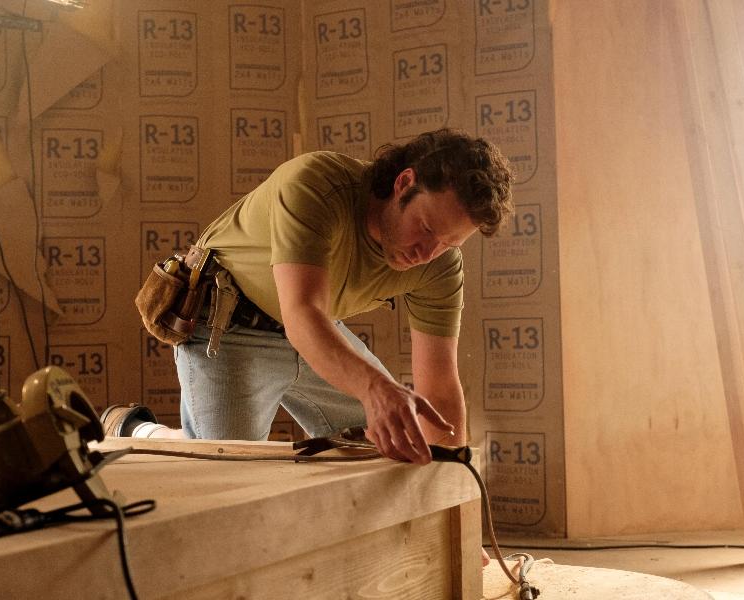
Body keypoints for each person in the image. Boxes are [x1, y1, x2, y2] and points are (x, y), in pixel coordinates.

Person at [108, 128, 514, 468]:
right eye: (424, 228)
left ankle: (185, 434)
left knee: (390, 443)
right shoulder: (316, 184)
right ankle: (138, 431)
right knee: (225, 467)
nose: (426, 253)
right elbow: (301, 311)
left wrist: (456, 503)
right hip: (231, 325)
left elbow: (440, 388)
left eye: (448, 242)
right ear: (403, 183)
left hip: (316, 328)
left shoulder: (440, 264)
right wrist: (374, 391)